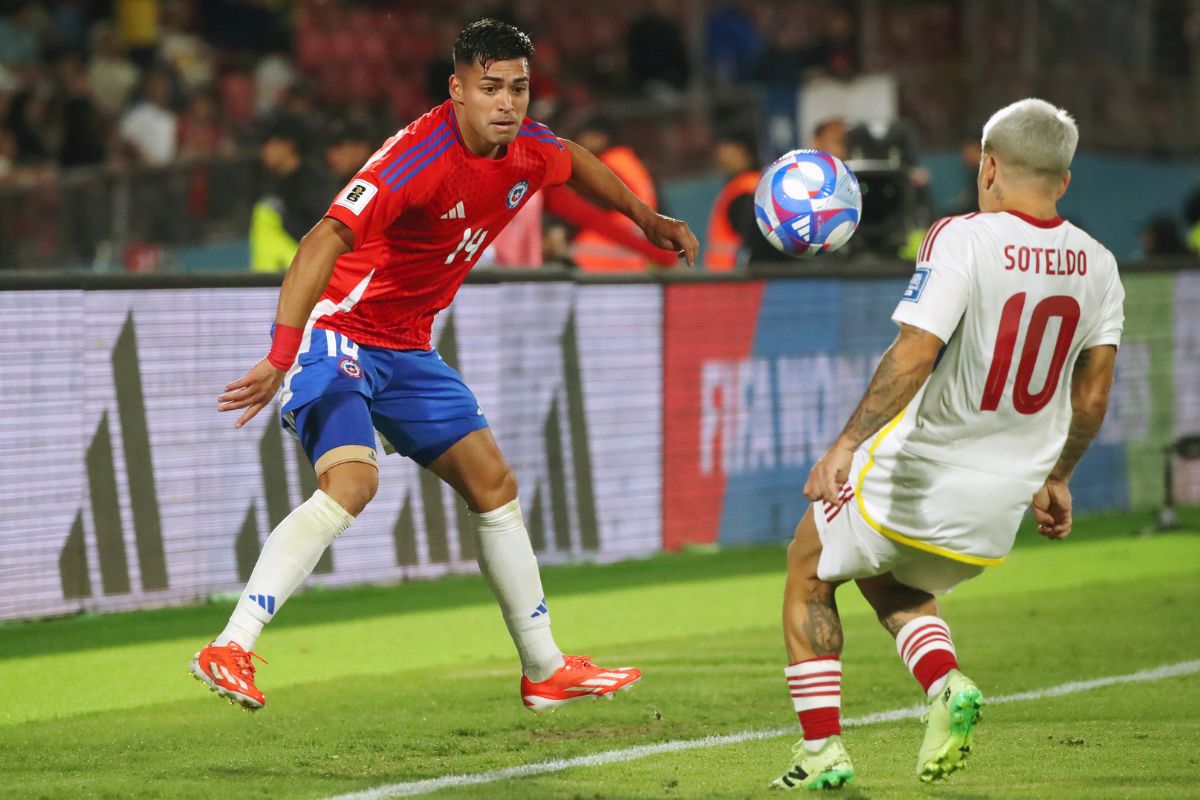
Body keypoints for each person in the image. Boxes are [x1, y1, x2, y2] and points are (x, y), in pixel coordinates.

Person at [190, 19, 697, 714]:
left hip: (409, 346)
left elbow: (575, 159)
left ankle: (544, 669)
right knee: (352, 484)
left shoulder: (526, 149)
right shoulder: (416, 161)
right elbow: (318, 243)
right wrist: (281, 356)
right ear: (456, 89)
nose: (507, 103)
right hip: (341, 333)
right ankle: (231, 646)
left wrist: (648, 219)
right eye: (490, 88)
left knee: (494, 484)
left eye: (518, 88)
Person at [770, 98, 1124, 789]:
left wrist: (846, 442)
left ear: (988, 167)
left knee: (808, 566)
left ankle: (820, 753)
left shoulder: (961, 236)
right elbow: (1092, 398)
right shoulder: (1100, 265)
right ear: (1065, 180)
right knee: (879, 570)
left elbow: (915, 353)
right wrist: (1059, 475)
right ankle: (942, 681)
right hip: (998, 511)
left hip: (921, 470)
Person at [568, 115, 661, 271]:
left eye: (587, 136)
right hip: (631, 255)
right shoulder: (630, 162)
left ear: (602, 137)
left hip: (600, 253)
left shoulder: (607, 163)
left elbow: (591, 203)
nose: (582, 142)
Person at [249, 115, 328, 272]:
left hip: (301, 276)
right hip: (271, 283)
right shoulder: (272, 182)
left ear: (288, 146)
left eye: (268, 143)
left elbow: (322, 233)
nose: (263, 151)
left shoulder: (313, 183)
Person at [703, 127, 774, 270]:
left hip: (735, 281)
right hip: (728, 279)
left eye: (726, 148)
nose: (720, 155)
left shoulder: (746, 190)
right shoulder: (747, 185)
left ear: (742, 151)